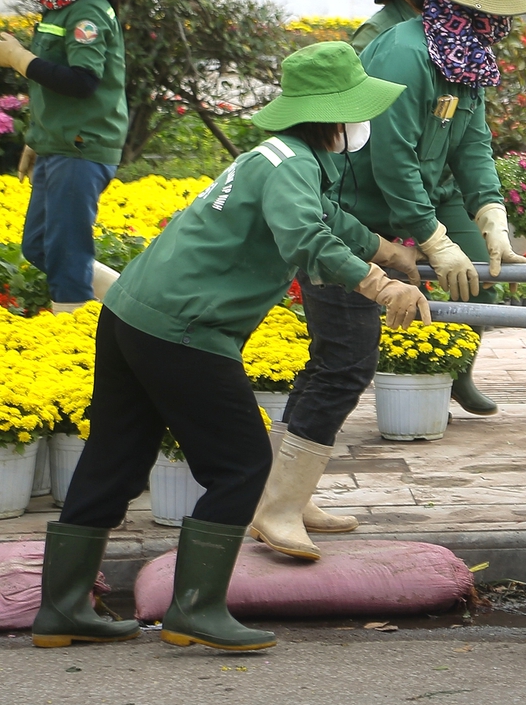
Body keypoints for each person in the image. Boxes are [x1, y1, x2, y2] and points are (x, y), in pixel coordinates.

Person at [32, 43, 428, 652]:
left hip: (131, 314)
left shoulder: (276, 156)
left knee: (115, 456)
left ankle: (62, 609)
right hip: (183, 329)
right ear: (333, 116)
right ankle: (195, 611)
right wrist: (379, 286)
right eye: (356, 112)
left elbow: (326, 218)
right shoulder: (295, 164)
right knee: (242, 464)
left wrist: (384, 248)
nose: (361, 125)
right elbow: (305, 237)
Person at [307, 0, 526, 439]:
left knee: (469, 279)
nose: (505, 24)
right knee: (346, 359)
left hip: (422, 193)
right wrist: (432, 241)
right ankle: (280, 477)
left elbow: (474, 147)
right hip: (355, 208)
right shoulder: (406, 53)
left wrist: (492, 220)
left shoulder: (467, 60)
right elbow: (392, 160)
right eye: (498, 10)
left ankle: (449, 374)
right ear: (469, 5)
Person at [0, 0, 130, 312]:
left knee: (67, 256)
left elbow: (81, 81)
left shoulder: (88, 9)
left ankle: (73, 336)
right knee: (39, 246)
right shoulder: (60, 7)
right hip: (59, 145)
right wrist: (37, 140)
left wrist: (18, 57)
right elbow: (52, 89)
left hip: (81, 147)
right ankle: (135, 298)